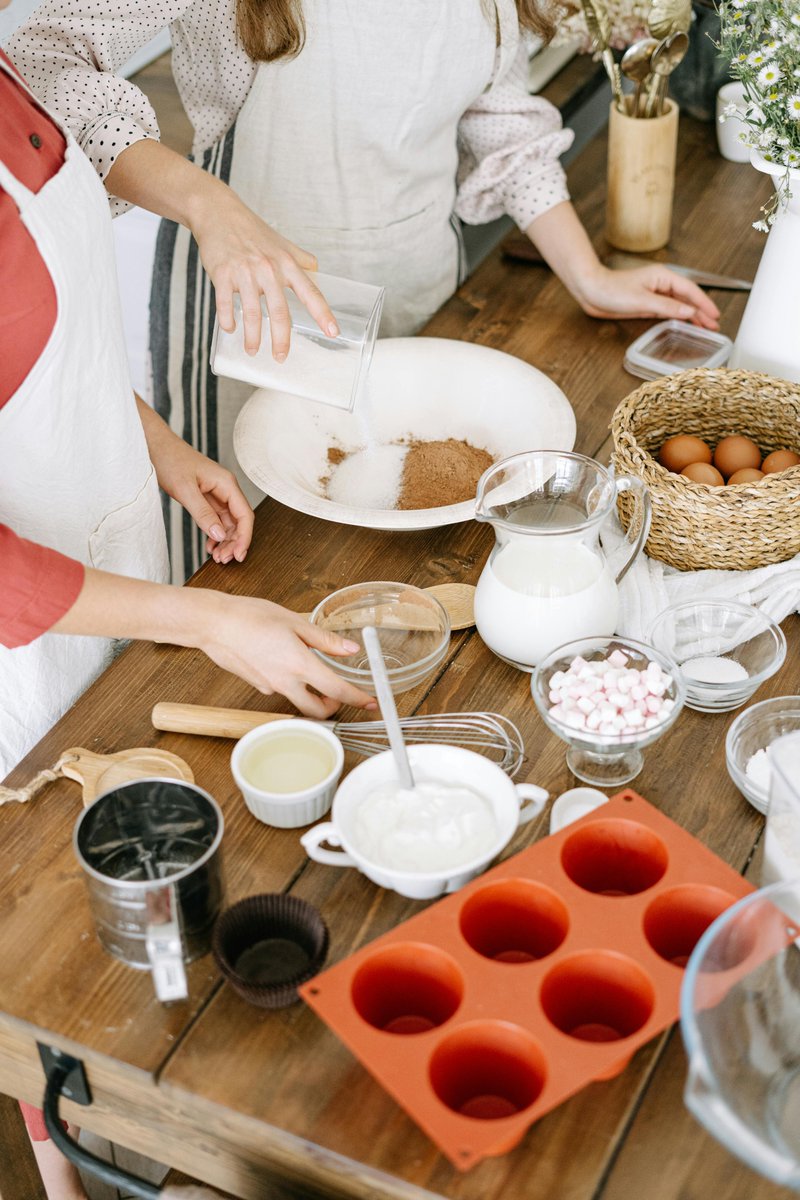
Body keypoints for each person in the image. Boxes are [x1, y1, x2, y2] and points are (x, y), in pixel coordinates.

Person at [0, 26, 375, 1198]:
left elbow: (31, 342)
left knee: (139, 888)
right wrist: (204, 622)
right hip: (23, 647)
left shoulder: (10, 72)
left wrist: (153, 444)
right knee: (49, 931)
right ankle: (61, 1163)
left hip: (107, 549)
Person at [8, 0, 720, 578]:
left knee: (413, 558)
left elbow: (499, 119)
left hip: (419, 292)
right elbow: (44, 66)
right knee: (266, 562)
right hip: (255, 319)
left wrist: (589, 278)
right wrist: (204, 203)